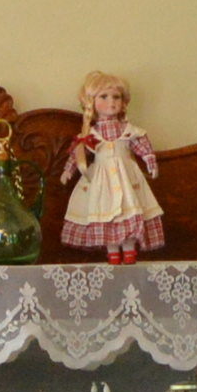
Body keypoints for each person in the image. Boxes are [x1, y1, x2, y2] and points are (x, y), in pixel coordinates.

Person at [56, 70, 165, 259]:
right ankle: (112, 251)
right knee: (106, 210)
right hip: (102, 180)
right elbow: (78, 153)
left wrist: (150, 161)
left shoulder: (127, 129)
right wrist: (68, 170)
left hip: (127, 178)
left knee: (129, 208)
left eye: (116, 97)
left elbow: (141, 145)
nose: (111, 102)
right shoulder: (91, 134)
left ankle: (129, 248)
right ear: (91, 102)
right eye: (104, 97)